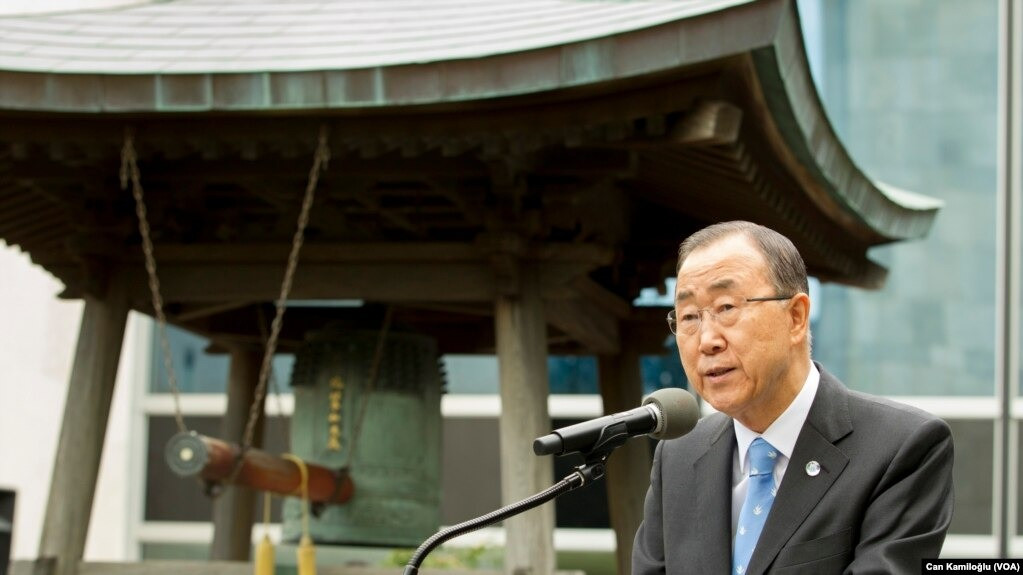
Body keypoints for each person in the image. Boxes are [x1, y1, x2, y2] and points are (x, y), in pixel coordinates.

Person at [631, 221, 954, 575]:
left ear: (796, 317)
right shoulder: (679, 454)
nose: (707, 339)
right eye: (689, 316)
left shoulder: (901, 448)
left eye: (726, 308)